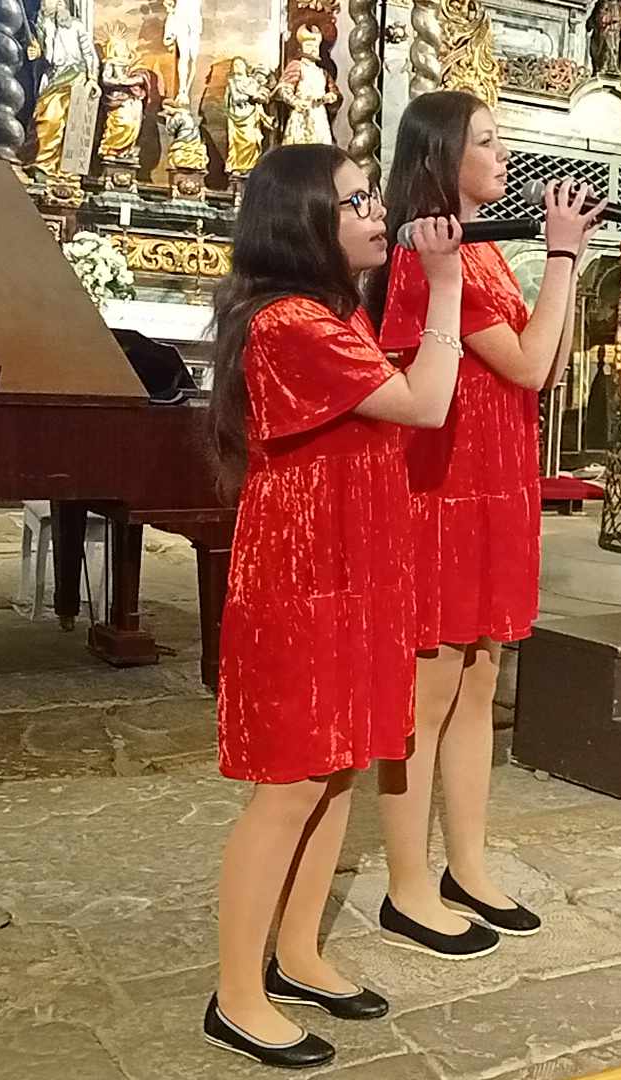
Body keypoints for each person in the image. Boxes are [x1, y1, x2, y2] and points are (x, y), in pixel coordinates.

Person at [203, 144, 465, 1068]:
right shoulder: (290, 324)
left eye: (369, 198)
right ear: (303, 221)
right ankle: (237, 997)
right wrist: (446, 283)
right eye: (354, 202)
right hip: (302, 578)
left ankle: (299, 952)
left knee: (338, 771)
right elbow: (427, 403)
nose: (375, 213)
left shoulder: (332, 312)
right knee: (289, 788)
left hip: (351, 569)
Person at [369, 90, 605, 959]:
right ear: (442, 155)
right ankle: (406, 885)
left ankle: (465, 865)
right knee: (427, 694)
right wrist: (562, 256)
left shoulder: (484, 253)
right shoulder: (431, 254)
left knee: (480, 680)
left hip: (496, 481)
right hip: (441, 490)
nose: (504, 156)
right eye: (488, 141)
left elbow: (548, 357)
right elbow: (531, 364)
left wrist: (568, 262)